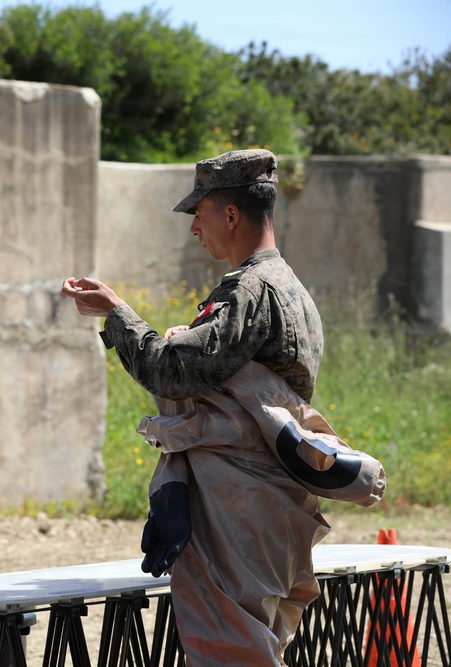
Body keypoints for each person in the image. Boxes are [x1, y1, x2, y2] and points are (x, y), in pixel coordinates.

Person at [61, 149, 331, 665]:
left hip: (239, 505)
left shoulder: (251, 290)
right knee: (252, 646)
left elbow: (171, 370)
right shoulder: (291, 289)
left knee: (229, 650)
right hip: (270, 503)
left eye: (198, 213)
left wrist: (116, 311)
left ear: (230, 214)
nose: (193, 229)